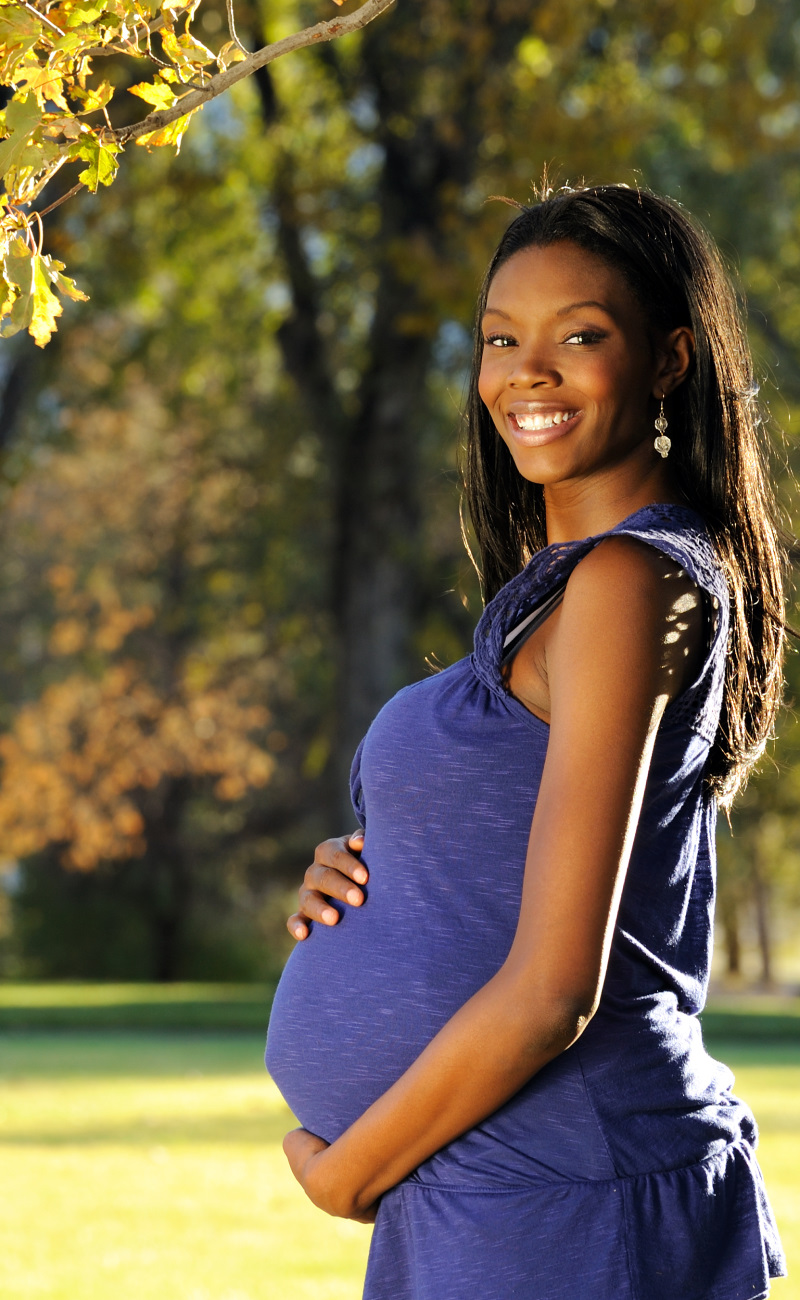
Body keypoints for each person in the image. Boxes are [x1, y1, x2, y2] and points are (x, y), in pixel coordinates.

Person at [265, 183, 789, 1300]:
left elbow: (557, 986)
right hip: (493, 1190)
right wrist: (379, 876)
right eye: (499, 338)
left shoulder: (629, 580)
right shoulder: (554, 595)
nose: (525, 371)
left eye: (579, 335)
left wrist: (345, 1175)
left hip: (564, 1202)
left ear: (668, 359)